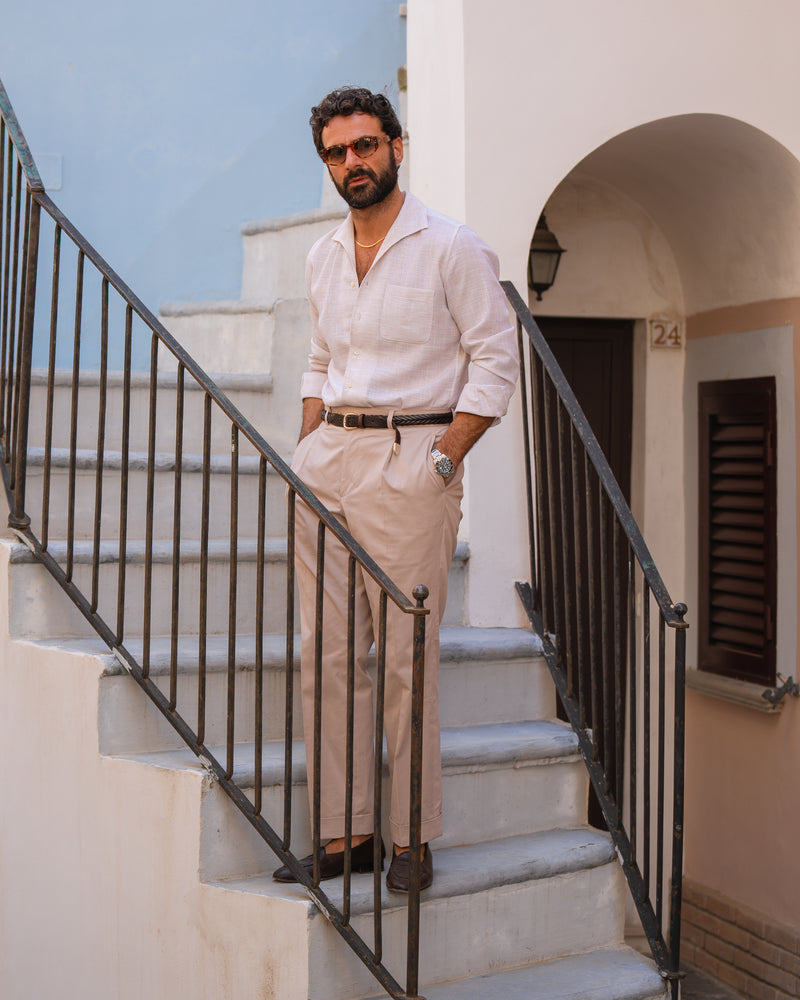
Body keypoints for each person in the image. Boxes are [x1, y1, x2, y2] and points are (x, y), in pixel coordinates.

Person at [272, 86, 518, 892]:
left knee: (408, 656)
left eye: (366, 146)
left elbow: (495, 361)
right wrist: (310, 440)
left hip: (413, 463)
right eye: (338, 153)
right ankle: (347, 835)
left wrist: (442, 461)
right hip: (329, 462)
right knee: (329, 656)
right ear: (327, 164)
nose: (353, 163)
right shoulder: (321, 257)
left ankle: (412, 836)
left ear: (397, 146)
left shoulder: (452, 247)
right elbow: (317, 357)